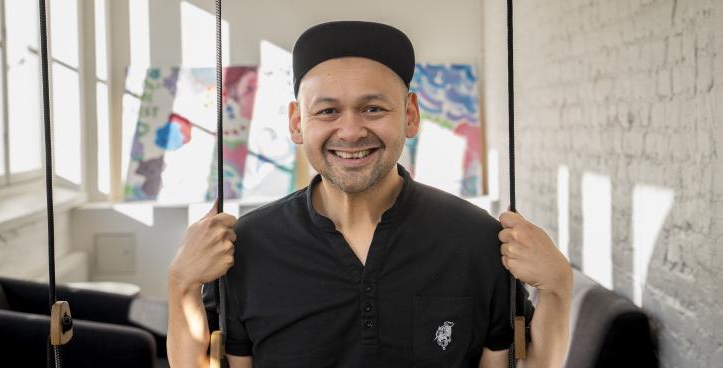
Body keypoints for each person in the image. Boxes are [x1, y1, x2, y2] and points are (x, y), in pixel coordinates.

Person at [166, 21, 572, 368]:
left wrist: (558, 286)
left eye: (373, 108)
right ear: (296, 122)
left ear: (410, 115)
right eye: (327, 111)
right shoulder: (248, 247)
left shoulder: (476, 240)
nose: (350, 131)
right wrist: (180, 284)